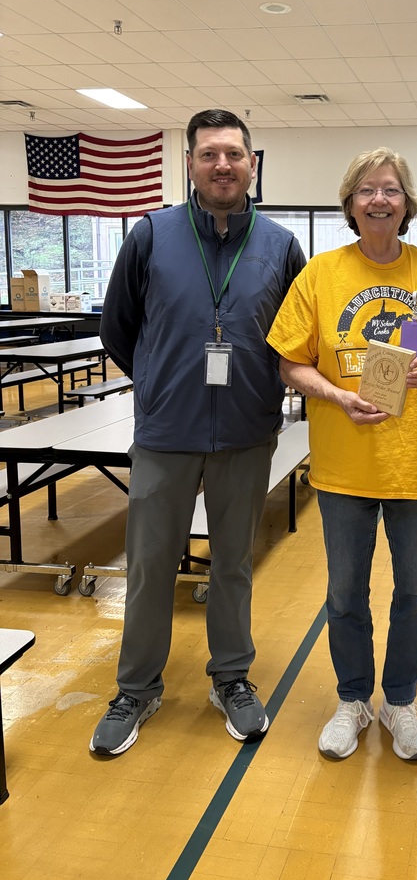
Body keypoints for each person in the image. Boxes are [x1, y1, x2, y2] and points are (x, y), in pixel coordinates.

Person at [90, 109, 306, 756]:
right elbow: (117, 329)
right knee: (151, 566)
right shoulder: (151, 235)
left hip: (246, 432)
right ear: (189, 163)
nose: (222, 165)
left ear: (252, 164)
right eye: (209, 153)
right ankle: (137, 687)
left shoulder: (279, 245)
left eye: (234, 154)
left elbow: (296, 337)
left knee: (232, 564)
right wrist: (160, 383)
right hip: (165, 433)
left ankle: (232, 677)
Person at [267, 147, 417, 762]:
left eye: (390, 189)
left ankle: (399, 702)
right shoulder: (320, 275)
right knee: (345, 594)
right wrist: (336, 394)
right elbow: (288, 362)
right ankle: (353, 699)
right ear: (350, 204)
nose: (378, 199)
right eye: (366, 190)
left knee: (416, 594)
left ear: (408, 204)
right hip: (344, 466)